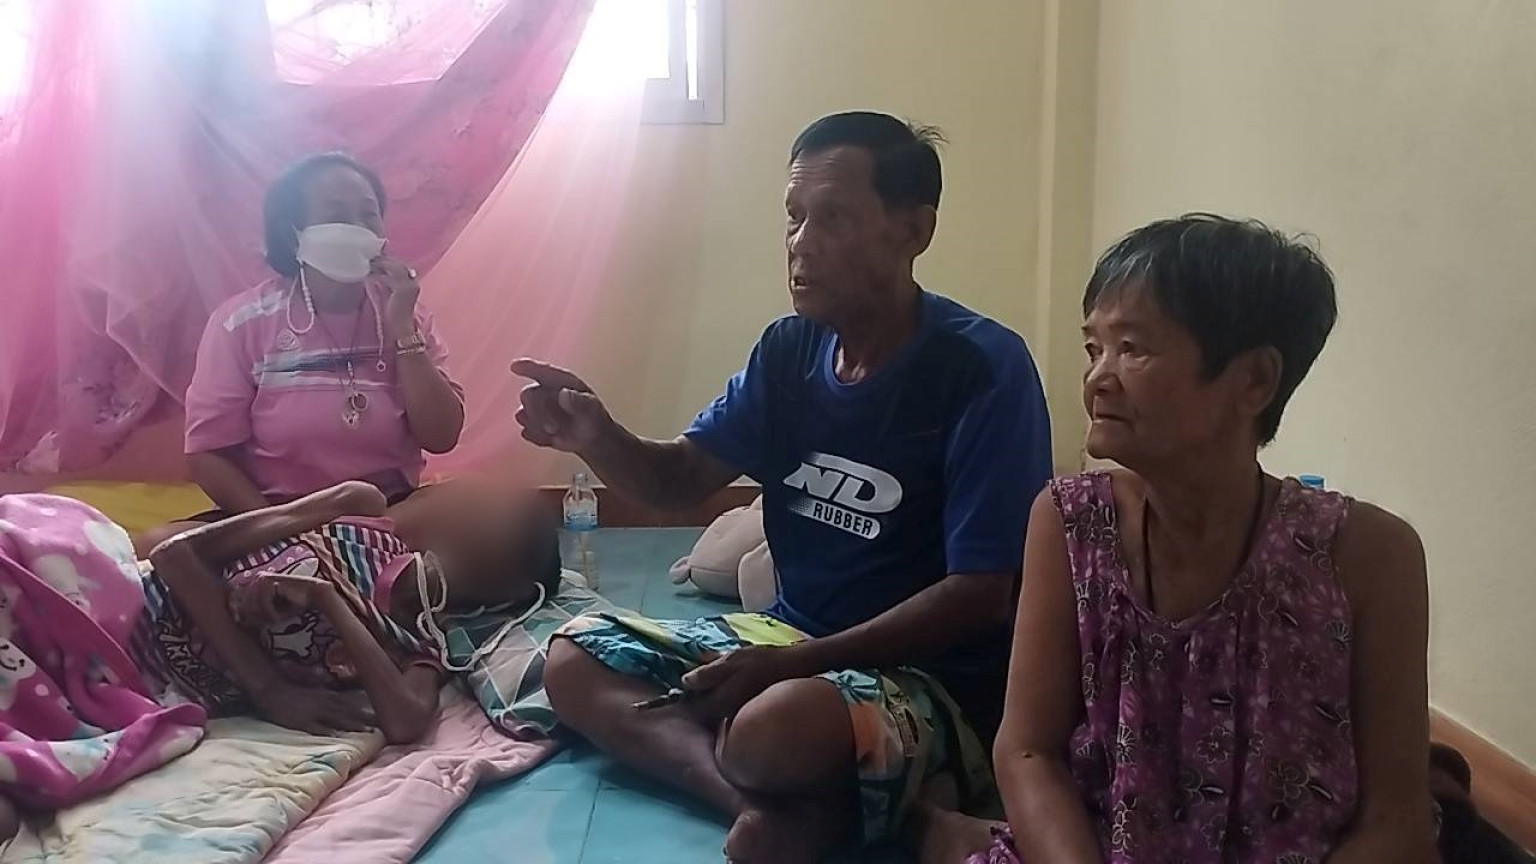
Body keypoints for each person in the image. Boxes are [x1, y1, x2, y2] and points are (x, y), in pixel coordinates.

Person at [512, 111, 1053, 863]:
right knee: (573, 660)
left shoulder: (982, 369)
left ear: (913, 231)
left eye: (833, 218)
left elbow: (982, 595)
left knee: (770, 731)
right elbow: (680, 480)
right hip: (789, 638)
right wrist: (595, 435)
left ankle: (845, 785)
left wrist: (795, 666)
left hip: (932, 679)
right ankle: (796, 811)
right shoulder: (788, 350)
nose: (801, 243)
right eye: (793, 217)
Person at [931, 214, 1438, 863]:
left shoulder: (1369, 556)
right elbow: (1028, 751)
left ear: (1253, 380)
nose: (1098, 378)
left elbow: (1396, 820)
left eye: (1132, 348)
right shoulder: (1069, 521)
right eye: (1093, 348)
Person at [160, 152, 464, 547]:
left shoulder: (406, 313)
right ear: (293, 234)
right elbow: (208, 454)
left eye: (368, 215)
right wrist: (281, 531)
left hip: (388, 512)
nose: (357, 228)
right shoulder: (241, 323)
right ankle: (329, 562)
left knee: (480, 512)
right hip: (274, 514)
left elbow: (442, 436)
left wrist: (404, 330)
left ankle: (350, 557)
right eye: (337, 215)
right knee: (157, 545)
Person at [138, 477, 560, 742]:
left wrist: (327, 599)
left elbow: (406, 721)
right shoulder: (359, 515)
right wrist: (269, 690)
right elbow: (175, 555)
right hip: (124, 606)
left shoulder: (420, 644)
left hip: (142, 692)